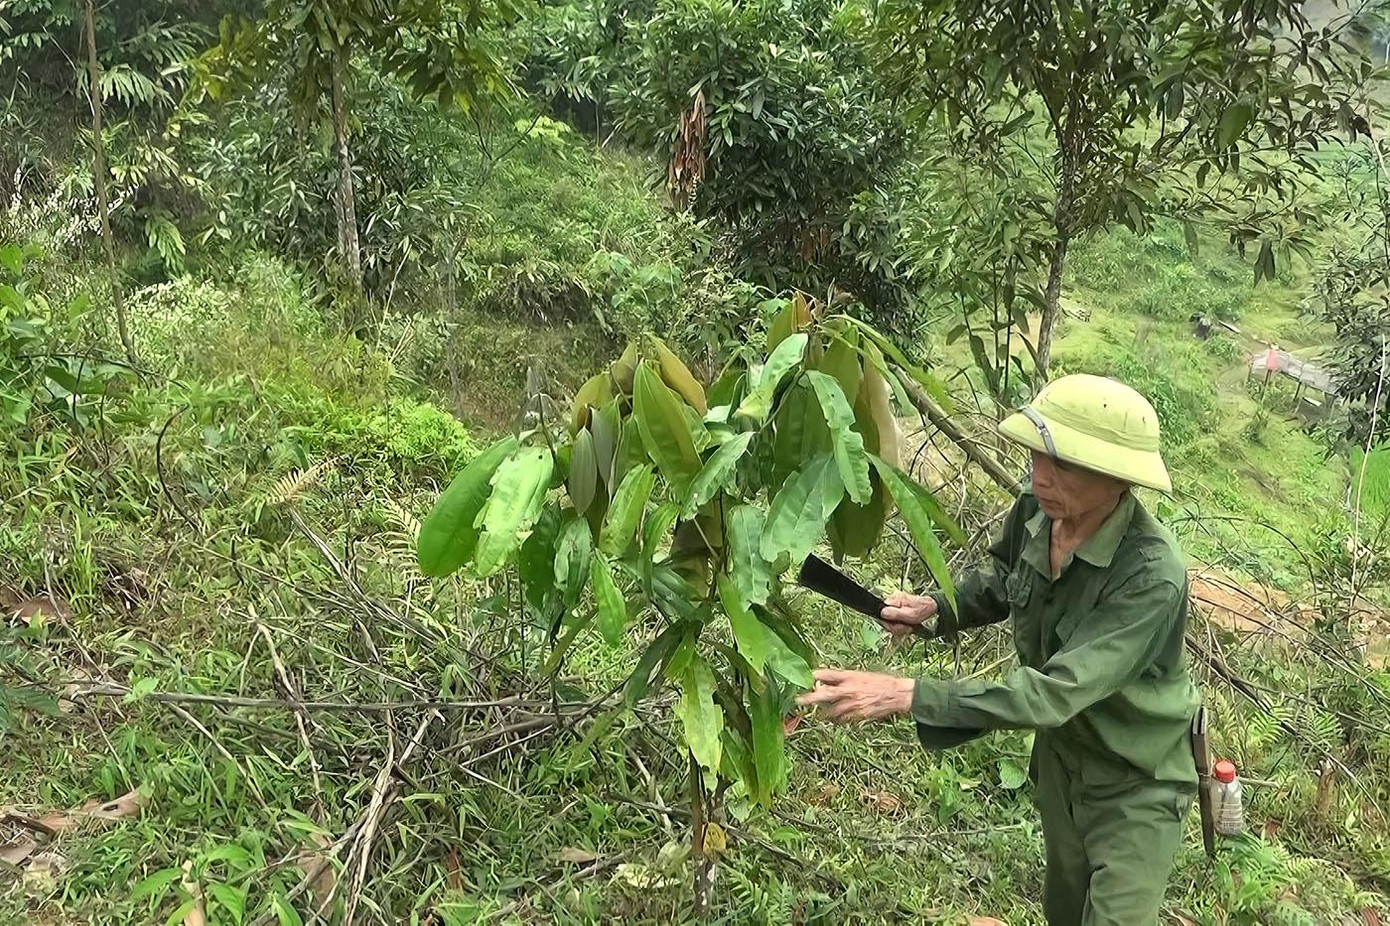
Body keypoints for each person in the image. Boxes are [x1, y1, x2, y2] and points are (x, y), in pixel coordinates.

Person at [798, 373, 1199, 926]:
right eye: (1036, 454)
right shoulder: (1036, 509)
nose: (1040, 473)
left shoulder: (1150, 576)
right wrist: (937, 609)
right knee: (1065, 910)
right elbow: (1005, 579)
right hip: (1063, 762)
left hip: (1135, 781)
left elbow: (1055, 691)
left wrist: (909, 693)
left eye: (1064, 462)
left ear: (1116, 480)